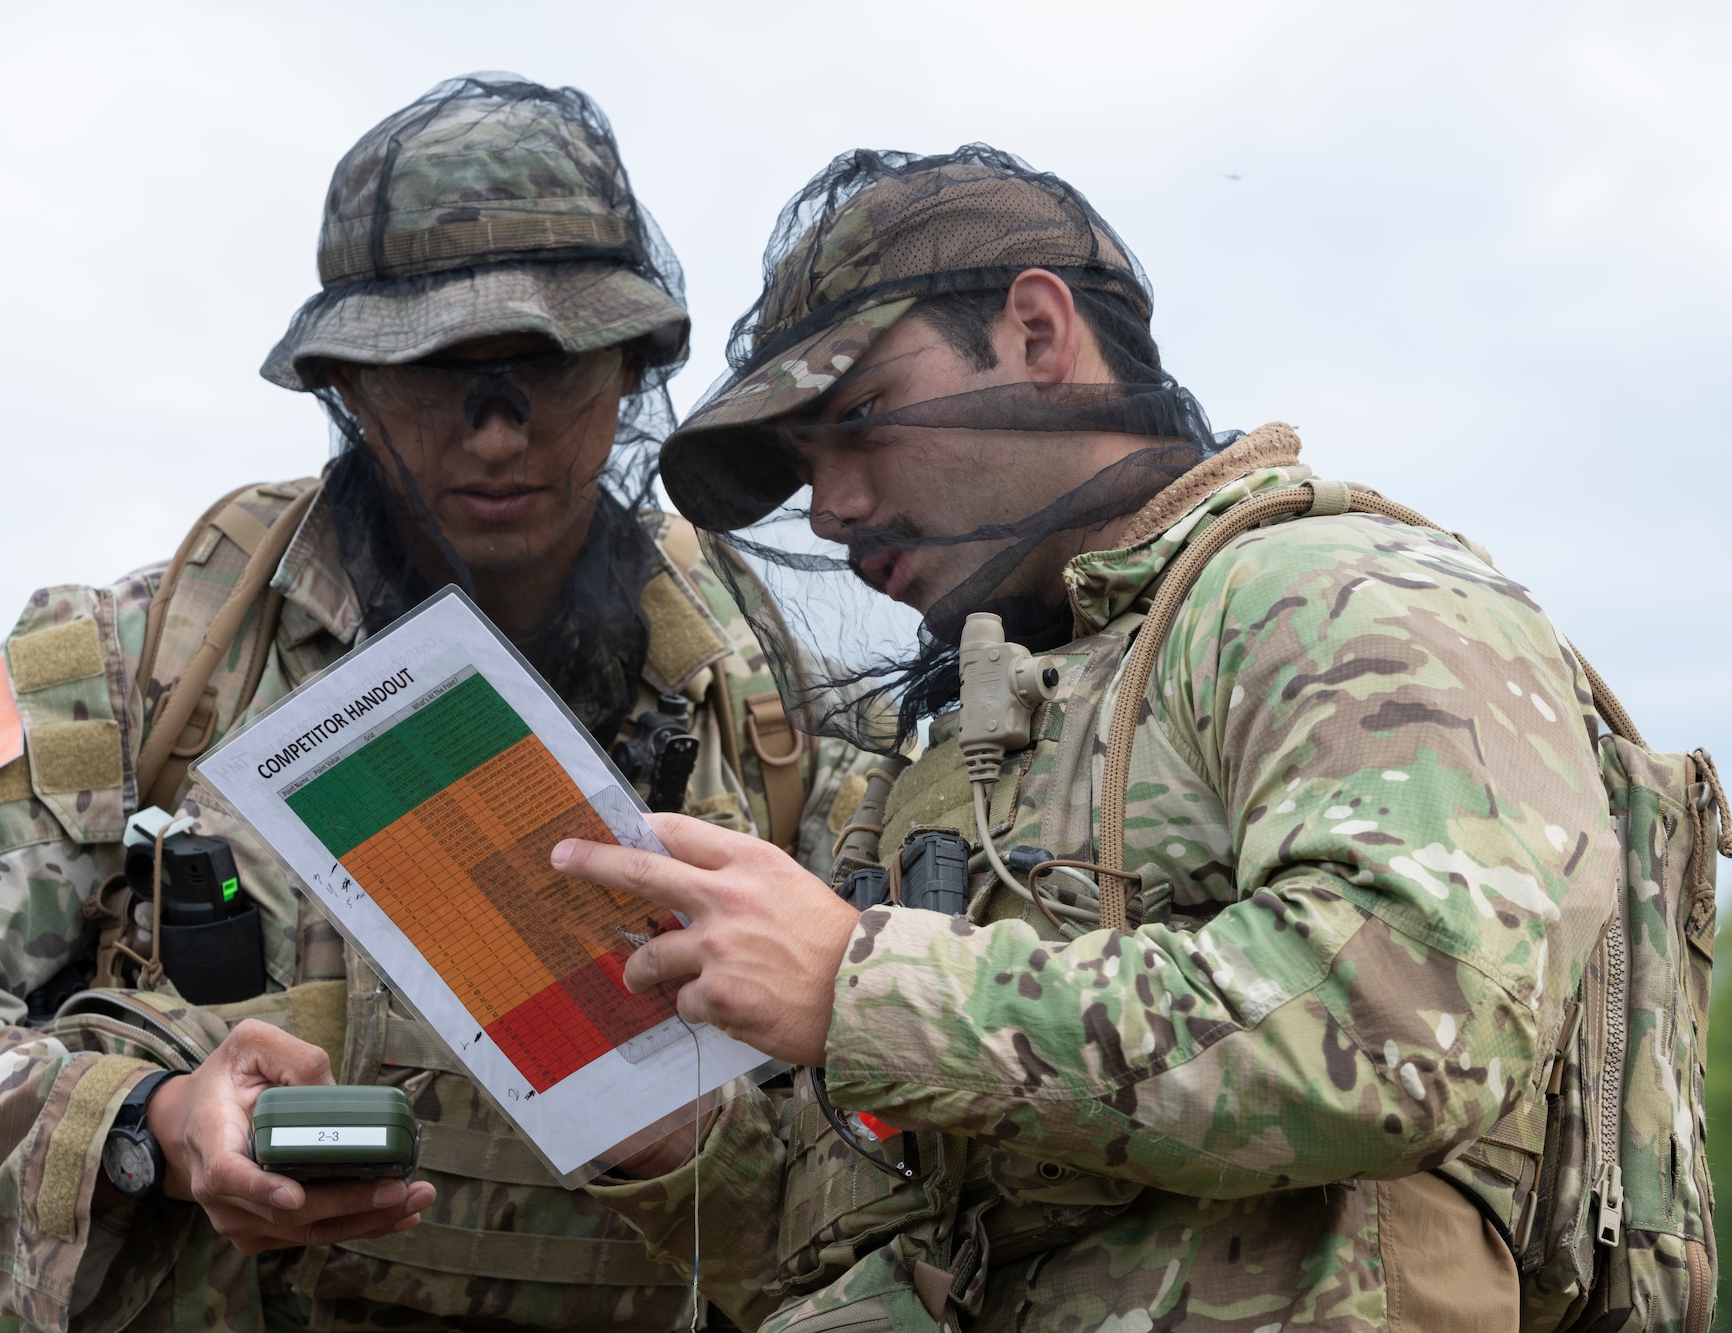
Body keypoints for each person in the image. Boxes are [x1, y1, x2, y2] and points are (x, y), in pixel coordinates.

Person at [0, 76, 870, 1333]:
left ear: (632, 367)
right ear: (345, 383)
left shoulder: (782, 695)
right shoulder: (122, 671)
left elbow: (930, 1138)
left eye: (545, 370)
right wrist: (157, 1128)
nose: (498, 435)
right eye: (435, 377)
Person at [555, 147, 1636, 1331]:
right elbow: (897, 1239)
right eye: (804, 466)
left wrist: (860, 986)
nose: (831, 506)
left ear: (1034, 331)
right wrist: (679, 1143)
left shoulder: (1326, 587)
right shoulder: (963, 735)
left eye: (857, 420)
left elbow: (1405, 1023)